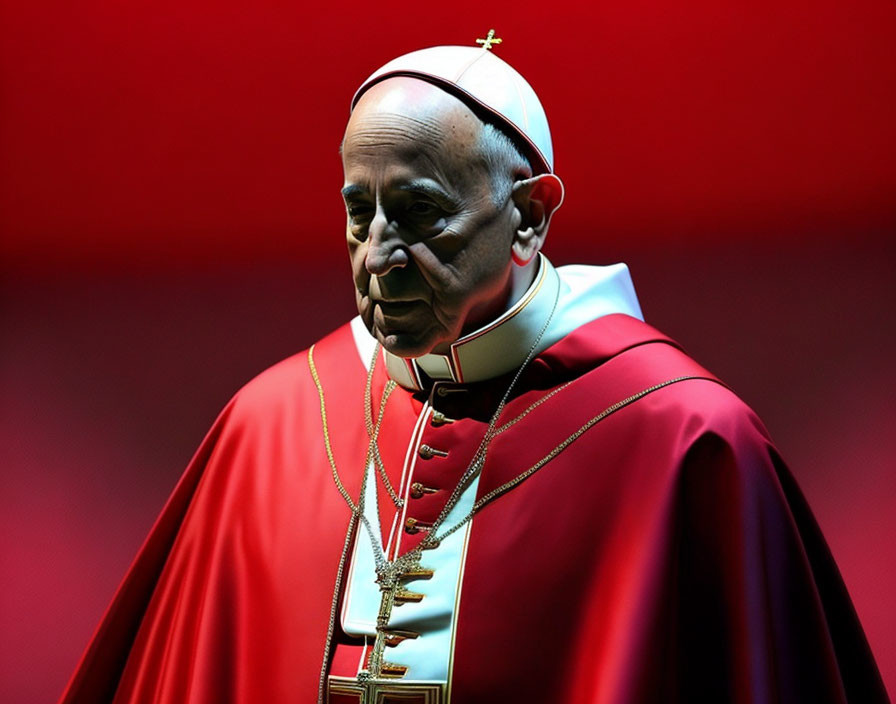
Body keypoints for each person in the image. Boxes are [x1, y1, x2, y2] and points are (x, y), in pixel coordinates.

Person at [60, 37, 888, 704]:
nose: (377, 255)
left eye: (419, 212)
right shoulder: (267, 424)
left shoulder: (682, 439)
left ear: (528, 214)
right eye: (359, 213)